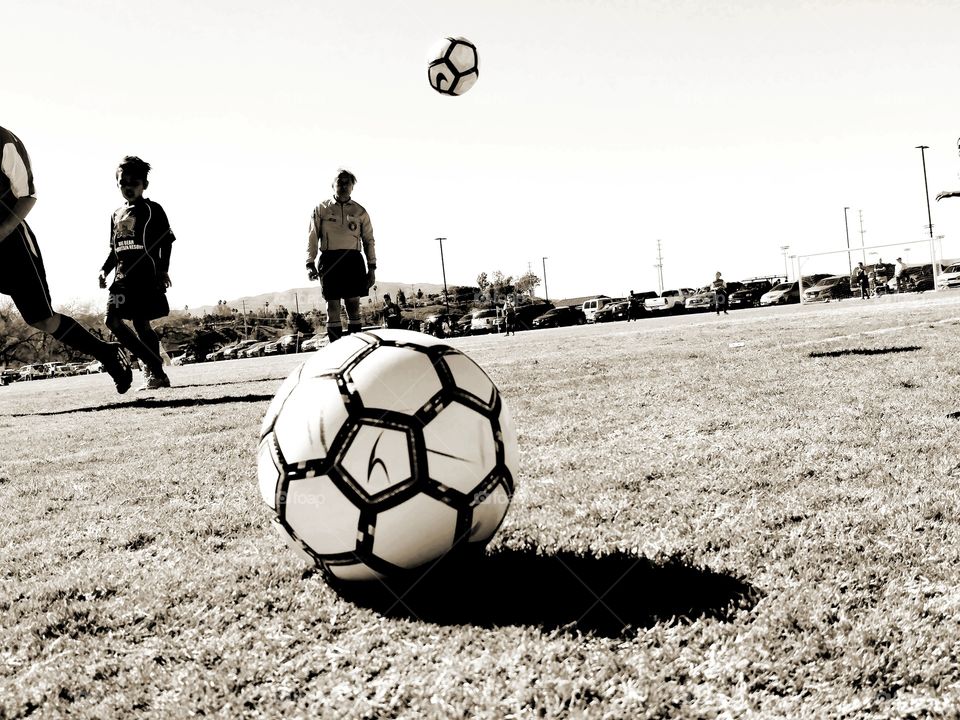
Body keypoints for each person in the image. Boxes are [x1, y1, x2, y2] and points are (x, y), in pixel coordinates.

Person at [0, 125, 132, 393]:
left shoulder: (3, 140)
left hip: (11, 241)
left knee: (42, 320)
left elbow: (27, 196)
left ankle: (106, 353)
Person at [98, 156, 174, 390]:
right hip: (121, 281)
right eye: (123, 182)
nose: (128, 187)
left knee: (142, 325)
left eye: (134, 182)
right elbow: (115, 249)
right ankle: (154, 365)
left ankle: (155, 374)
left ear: (145, 185)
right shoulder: (115, 214)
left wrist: (162, 270)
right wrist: (104, 269)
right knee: (112, 320)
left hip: (145, 278)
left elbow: (167, 241)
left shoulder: (153, 210)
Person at [306, 168, 376, 342]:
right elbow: (312, 236)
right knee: (333, 306)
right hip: (330, 260)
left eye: (347, 183)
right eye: (340, 182)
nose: (343, 186)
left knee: (353, 306)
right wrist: (309, 263)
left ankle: (356, 348)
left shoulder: (360, 211)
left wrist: (372, 267)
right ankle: (335, 349)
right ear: (333, 185)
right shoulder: (321, 209)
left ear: (353, 187)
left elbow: (369, 240)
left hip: (353, 261)